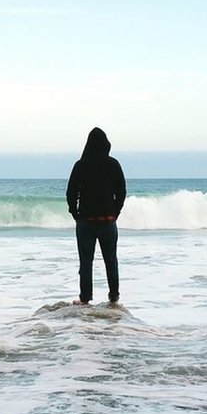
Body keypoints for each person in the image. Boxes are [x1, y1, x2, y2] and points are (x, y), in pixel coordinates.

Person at [66, 127, 126, 305]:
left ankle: (85, 298)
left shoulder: (80, 165)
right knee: (111, 260)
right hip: (108, 221)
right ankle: (114, 297)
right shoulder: (113, 164)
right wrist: (115, 212)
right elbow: (121, 191)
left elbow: (71, 192)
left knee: (86, 262)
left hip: (86, 222)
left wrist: (75, 213)